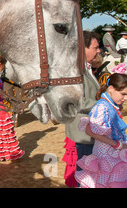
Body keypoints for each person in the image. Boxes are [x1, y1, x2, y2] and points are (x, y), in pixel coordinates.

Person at [74, 73, 127, 188]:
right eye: (123, 94)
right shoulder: (102, 106)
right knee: (105, 181)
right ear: (111, 89)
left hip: (111, 152)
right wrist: (116, 144)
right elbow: (91, 131)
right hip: (106, 154)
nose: (125, 98)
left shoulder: (110, 105)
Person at [62, 31, 101, 187]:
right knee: (84, 179)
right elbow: (77, 102)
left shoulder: (85, 68)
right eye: (96, 47)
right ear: (83, 48)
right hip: (82, 135)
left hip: (88, 131)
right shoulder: (75, 70)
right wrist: (105, 103)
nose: (98, 51)